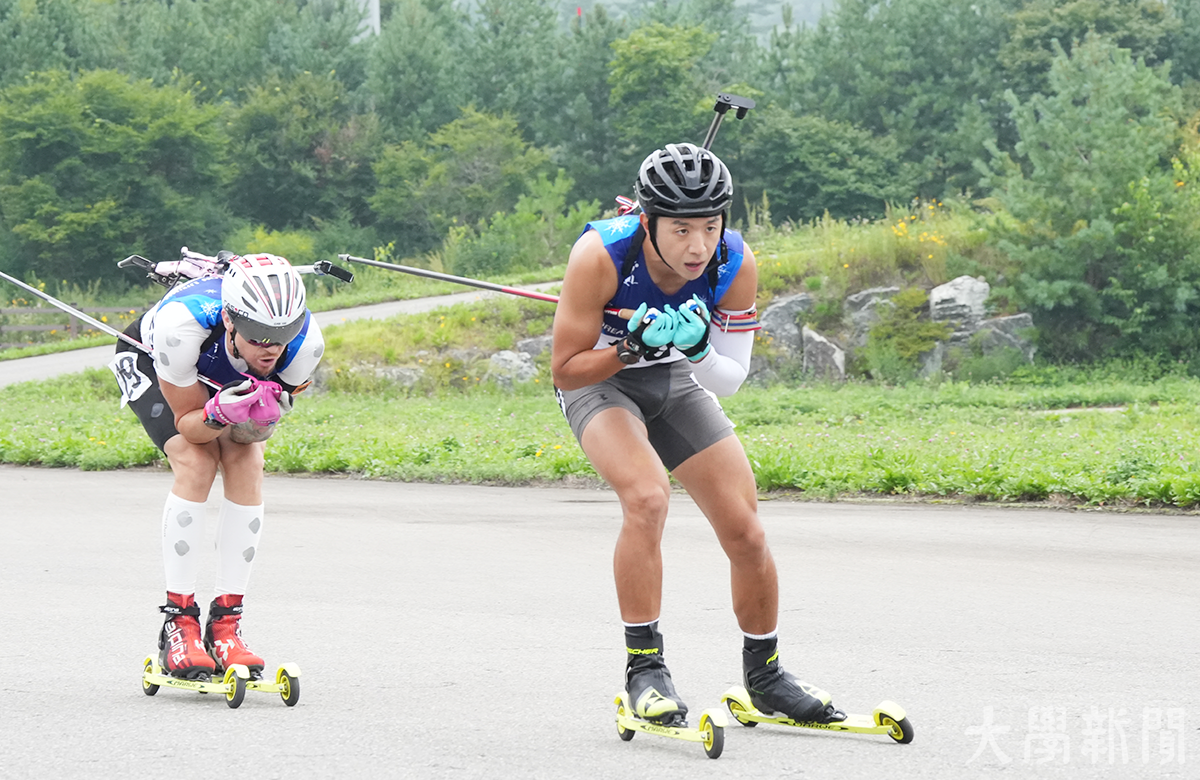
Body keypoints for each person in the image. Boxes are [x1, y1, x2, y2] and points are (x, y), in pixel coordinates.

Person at [551, 143, 844, 726]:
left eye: (710, 227)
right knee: (647, 497)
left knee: (746, 529)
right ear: (646, 219)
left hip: (676, 381)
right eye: (681, 229)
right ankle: (645, 672)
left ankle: (766, 677)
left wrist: (696, 347)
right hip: (601, 385)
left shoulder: (733, 263)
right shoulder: (601, 257)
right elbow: (565, 368)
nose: (697, 246)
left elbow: (730, 379)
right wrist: (628, 345)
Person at [110, 252, 325, 680]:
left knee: (247, 460)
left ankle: (226, 624)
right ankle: (179, 620)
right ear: (231, 320)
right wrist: (218, 415)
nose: (272, 347)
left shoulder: (305, 346)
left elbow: (250, 436)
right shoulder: (179, 328)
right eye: (260, 335)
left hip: (218, 372)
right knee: (197, 460)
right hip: (156, 362)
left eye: (283, 333)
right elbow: (191, 426)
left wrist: (256, 423)